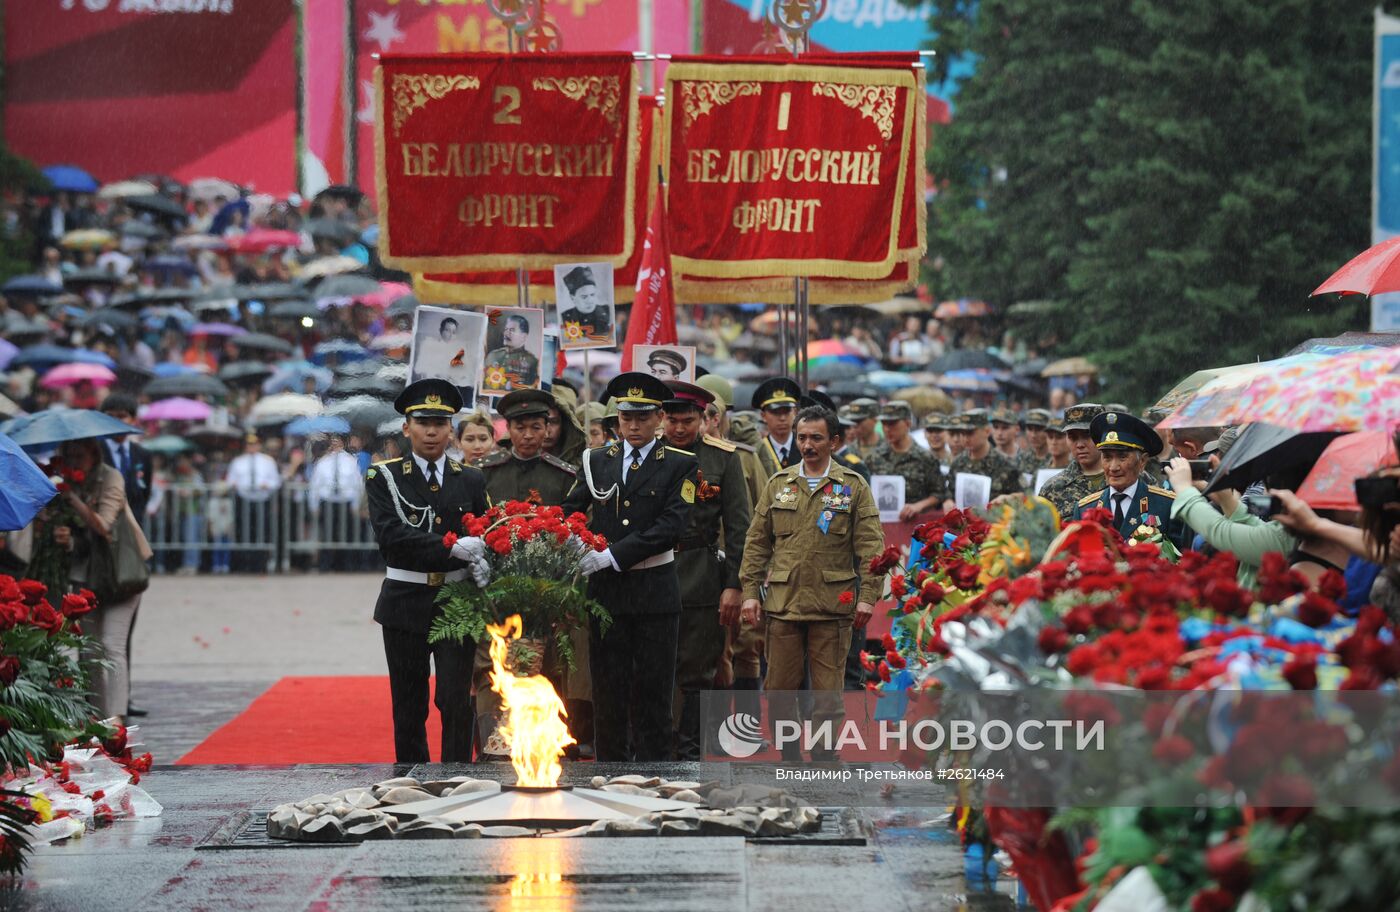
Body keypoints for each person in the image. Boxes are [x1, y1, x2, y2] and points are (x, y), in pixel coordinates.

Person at [562, 372, 698, 761]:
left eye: (642, 417)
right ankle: (608, 774)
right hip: (607, 592)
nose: (634, 425)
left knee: (654, 692)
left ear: (658, 417)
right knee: (608, 691)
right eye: (626, 417)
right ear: (616, 420)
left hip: (654, 587)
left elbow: (671, 526)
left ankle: (656, 777)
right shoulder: (595, 460)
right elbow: (570, 510)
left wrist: (613, 554)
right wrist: (573, 538)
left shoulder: (679, 464)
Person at [740, 406, 884, 761]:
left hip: (832, 604)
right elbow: (757, 542)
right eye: (802, 437)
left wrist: (867, 597)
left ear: (833, 442)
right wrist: (748, 593)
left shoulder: (852, 486)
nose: (807, 445)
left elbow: (872, 547)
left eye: (816, 438)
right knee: (778, 691)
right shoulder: (779, 484)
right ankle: (789, 754)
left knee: (827, 694)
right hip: (784, 604)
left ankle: (823, 757)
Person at [365, 378, 488, 763]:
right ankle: (411, 781)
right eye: (422, 422)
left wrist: (485, 558)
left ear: (451, 428)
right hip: (406, 600)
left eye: (440, 422)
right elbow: (392, 538)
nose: (431, 431)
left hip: (456, 599)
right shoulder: (384, 477)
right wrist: (451, 547)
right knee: (409, 702)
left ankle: (458, 778)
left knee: (455, 700)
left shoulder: (470, 478)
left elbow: (483, 531)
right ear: (407, 428)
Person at [472, 388, 583, 758]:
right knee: (491, 668)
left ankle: (547, 746)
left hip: (546, 592)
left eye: (537, 426)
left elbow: (572, 531)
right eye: (521, 428)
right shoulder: (486, 473)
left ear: (547, 427)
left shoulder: (563, 476)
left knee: (548, 666)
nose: (530, 435)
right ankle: (493, 744)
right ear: (509, 429)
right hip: (493, 591)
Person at [662, 380, 752, 760]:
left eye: (688, 420)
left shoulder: (723, 459)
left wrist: (734, 586)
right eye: (672, 420)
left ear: (704, 419)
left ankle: (691, 752)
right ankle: (655, 748)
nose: (679, 429)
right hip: (651, 571)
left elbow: (739, 529)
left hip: (700, 574)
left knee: (698, 669)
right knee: (653, 667)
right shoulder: (649, 456)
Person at [61, 437, 153, 723]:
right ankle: (96, 717)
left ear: (93, 453)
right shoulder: (63, 483)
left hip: (120, 573)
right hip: (85, 577)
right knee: (88, 649)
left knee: (112, 645)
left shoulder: (111, 478)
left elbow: (103, 524)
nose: (75, 461)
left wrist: (72, 499)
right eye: (70, 456)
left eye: (79, 455)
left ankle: (115, 718)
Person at [98, 393, 152, 718]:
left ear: (133, 419)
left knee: (123, 630)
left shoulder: (142, 454)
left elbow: (144, 498)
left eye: (125, 415)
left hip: (130, 548)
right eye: (113, 415)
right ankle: (100, 698)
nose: (120, 421)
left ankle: (124, 694)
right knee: (99, 632)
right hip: (101, 545)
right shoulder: (94, 453)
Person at [1073, 410, 1190, 550]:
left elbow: (1180, 559)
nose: (1113, 467)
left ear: (1142, 461)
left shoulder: (1166, 505)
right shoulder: (1085, 509)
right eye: (1107, 457)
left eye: (1122, 457)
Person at [867, 400, 946, 521]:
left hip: (914, 526)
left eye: (893, 424)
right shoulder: (874, 457)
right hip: (881, 527)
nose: (887, 429)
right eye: (884, 424)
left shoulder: (925, 458)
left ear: (908, 423)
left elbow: (939, 494)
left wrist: (918, 506)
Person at [1039, 403, 1106, 519]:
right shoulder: (1053, 489)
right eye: (1073, 437)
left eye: (1087, 435)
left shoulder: (1127, 479)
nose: (1080, 445)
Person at [225, 432, 280, 573]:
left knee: (261, 533)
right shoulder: (238, 461)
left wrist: (267, 485)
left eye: (254, 444)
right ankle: (243, 564)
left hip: (262, 500)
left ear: (259, 445)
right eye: (249, 444)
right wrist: (234, 484)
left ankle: (260, 564)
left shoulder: (267, 461)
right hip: (244, 499)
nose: (252, 447)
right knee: (243, 532)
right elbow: (230, 480)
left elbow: (276, 481)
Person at [308, 435, 363, 572]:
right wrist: (314, 505)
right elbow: (315, 484)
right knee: (327, 535)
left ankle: (344, 564)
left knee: (345, 534)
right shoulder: (323, 462)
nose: (335, 446)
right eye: (333, 443)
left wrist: (356, 504)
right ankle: (325, 565)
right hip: (328, 502)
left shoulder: (351, 461)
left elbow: (358, 483)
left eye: (338, 443)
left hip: (345, 502)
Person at [948, 409, 1023, 502]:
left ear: (987, 431)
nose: (965, 438)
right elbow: (949, 493)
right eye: (962, 433)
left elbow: (1025, 495)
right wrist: (948, 501)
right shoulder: (957, 463)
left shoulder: (1006, 464)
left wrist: (1009, 498)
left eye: (970, 433)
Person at [751, 377, 803, 475]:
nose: (782, 418)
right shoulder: (757, 452)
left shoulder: (805, 447)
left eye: (787, 411)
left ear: (795, 412)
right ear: (763, 416)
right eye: (775, 412)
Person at [483, 313, 539, 392]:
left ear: (524, 336)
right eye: (506, 329)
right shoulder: (492, 355)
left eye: (512, 330)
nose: (506, 333)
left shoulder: (532, 361)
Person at [558, 265, 611, 342]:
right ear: (572, 297)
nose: (590, 300)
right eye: (584, 296)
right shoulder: (565, 317)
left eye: (592, 295)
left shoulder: (607, 311)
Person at [1016, 409, 1053, 475]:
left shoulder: (1056, 460)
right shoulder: (1022, 458)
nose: (1033, 435)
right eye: (1030, 429)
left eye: (1038, 430)